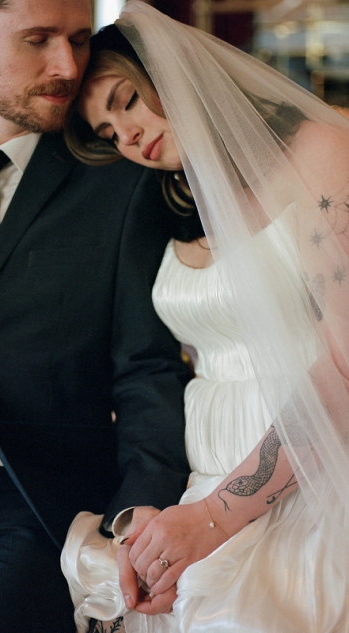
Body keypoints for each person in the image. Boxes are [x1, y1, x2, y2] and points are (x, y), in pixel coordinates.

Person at [0, 0, 192, 630]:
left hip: (32, 497)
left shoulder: (120, 182)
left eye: (78, 39)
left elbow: (147, 368)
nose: (67, 66)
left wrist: (136, 514)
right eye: (38, 39)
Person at [62, 4, 349, 631]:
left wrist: (214, 516)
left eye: (127, 100)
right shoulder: (169, 203)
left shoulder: (320, 155)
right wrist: (159, 508)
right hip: (198, 485)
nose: (127, 135)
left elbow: (345, 367)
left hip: (317, 477)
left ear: (174, 71)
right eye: (108, 132)